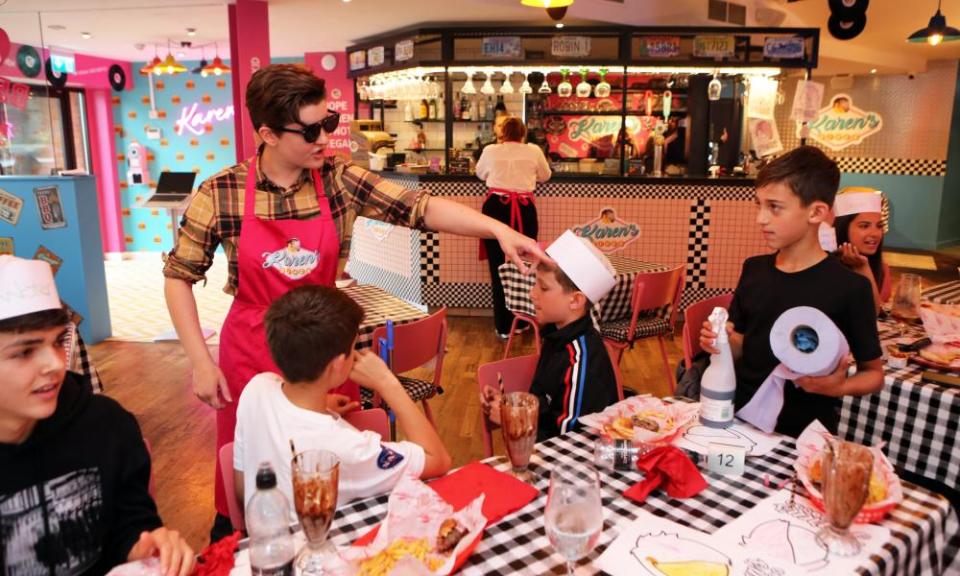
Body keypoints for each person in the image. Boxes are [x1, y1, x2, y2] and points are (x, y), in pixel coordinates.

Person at [162, 64, 544, 538]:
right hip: (251, 354)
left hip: (326, 347)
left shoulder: (339, 180)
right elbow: (179, 277)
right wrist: (200, 361)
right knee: (257, 481)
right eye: (311, 130)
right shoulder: (221, 193)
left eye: (329, 123)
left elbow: (418, 208)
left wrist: (498, 228)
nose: (325, 138)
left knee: (335, 475)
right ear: (267, 133)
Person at [0, 256, 194, 576]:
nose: (53, 364)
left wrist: (147, 544)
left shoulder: (106, 427)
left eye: (58, 342)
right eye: (24, 351)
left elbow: (129, 524)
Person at [699, 146, 883, 437]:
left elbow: (873, 374)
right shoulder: (754, 269)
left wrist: (841, 386)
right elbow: (746, 346)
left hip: (804, 431)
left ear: (816, 212)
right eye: (758, 205)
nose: (761, 218)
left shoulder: (850, 287)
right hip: (740, 417)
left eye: (774, 207)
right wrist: (720, 339)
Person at [233, 285, 451, 519]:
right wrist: (388, 383)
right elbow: (438, 460)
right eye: (353, 347)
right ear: (337, 365)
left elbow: (241, 488)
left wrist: (322, 405)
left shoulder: (256, 388)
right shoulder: (349, 448)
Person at [480, 231, 619, 441]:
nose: (532, 293)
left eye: (543, 287)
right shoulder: (556, 336)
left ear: (575, 301)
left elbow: (567, 443)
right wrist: (511, 405)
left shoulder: (579, 362)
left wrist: (511, 419)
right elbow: (546, 407)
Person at [475, 116, 552, 339]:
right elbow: (545, 176)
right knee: (526, 266)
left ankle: (503, 326)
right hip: (525, 208)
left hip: (496, 209)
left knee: (498, 267)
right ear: (523, 133)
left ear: (503, 133)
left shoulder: (490, 150)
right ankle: (522, 321)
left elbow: (480, 174)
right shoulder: (534, 150)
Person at [832, 188, 890, 314]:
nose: (875, 233)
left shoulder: (881, 268)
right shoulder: (826, 266)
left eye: (879, 226)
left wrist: (864, 267)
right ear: (843, 228)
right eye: (864, 226)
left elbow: (874, 313)